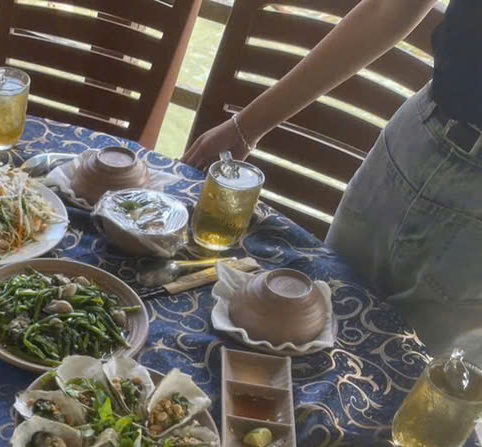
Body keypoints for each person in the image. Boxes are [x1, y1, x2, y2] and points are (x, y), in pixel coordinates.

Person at [183, 0, 481, 358]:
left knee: (424, 378)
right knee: (313, 333)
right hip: (415, 136)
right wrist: (245, 127)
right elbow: (389, 8)